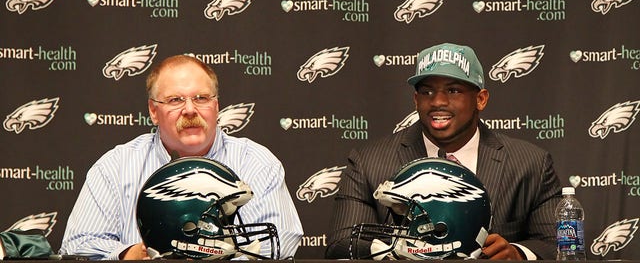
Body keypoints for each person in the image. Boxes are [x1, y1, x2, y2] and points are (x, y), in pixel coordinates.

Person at [325, 43, 562, 260]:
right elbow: (341, 245)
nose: (438, 101)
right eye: (427, 92)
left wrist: (518, 254)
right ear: (415, 100)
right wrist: (396, 252)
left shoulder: (530, 163)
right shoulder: (369, 162)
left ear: (480, 99)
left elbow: (559, 246)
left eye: (453, 90)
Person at [59, 55, 303, 260]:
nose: (189, 109)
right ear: (154, 111)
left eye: (201, 98)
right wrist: (130, 255)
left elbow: (281, 241)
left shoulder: (257, 163)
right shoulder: (114, 167)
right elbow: (77, 244)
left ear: (217, 106)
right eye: (175, 100)